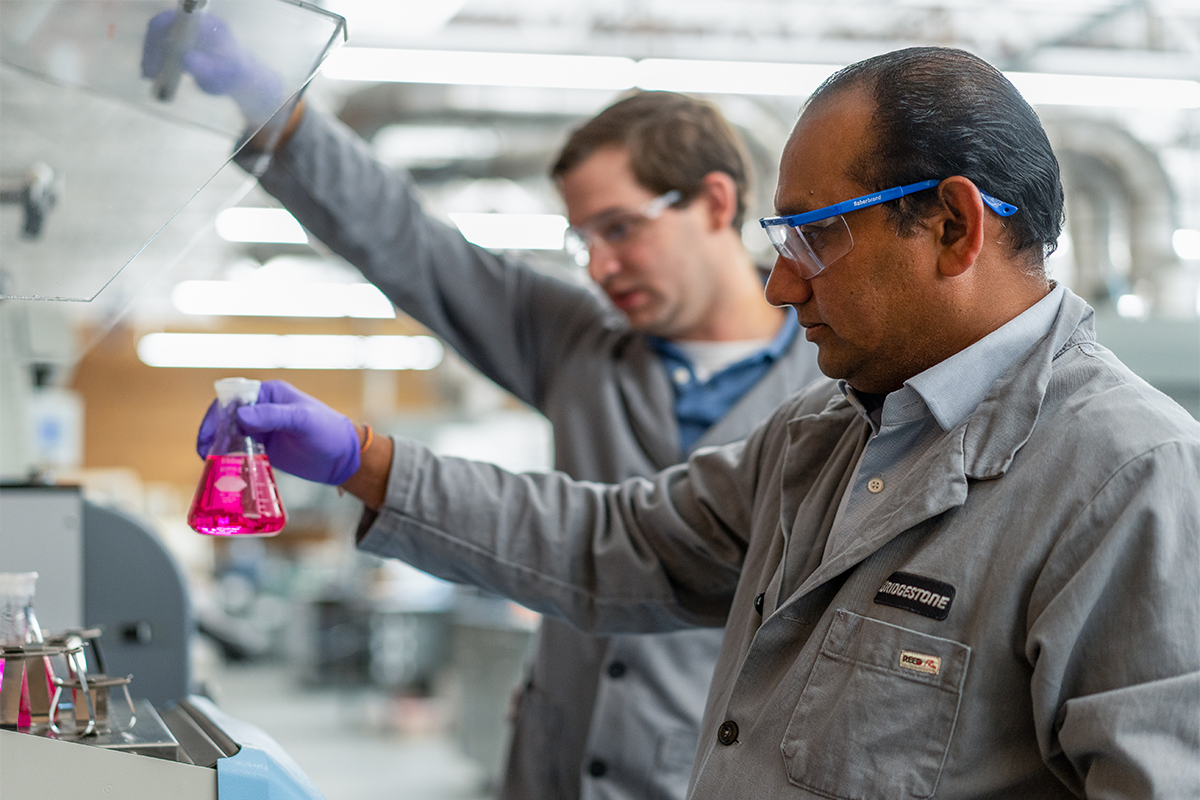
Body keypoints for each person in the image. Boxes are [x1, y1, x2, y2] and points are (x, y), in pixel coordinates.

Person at [202, 45, 1200, 797]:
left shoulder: (1127, 478)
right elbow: (617, 541)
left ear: (951, 225)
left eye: (814, 236)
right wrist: (362, 460)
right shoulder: (823, 436)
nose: (780, 281)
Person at [149, 14, 824, 799]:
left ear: (715, 202)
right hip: (552, 761)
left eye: (620, 229)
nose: (600, 267)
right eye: (582, 241)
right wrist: (280, 114)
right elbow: (412, 246)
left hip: (707, 775)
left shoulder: (834, 393)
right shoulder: (579, 341)